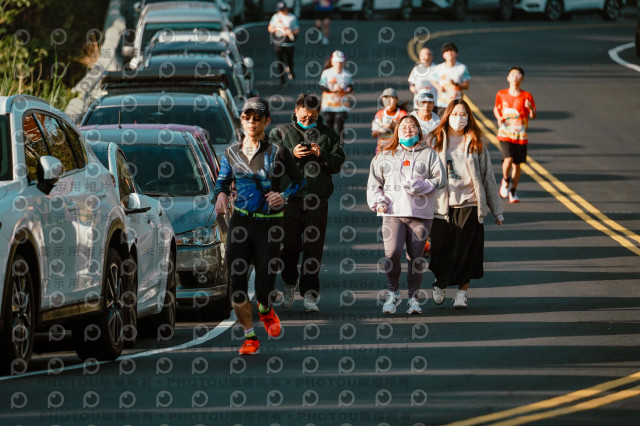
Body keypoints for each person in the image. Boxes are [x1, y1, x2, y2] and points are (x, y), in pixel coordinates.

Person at [213, 97, 304, 355]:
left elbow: (299, 182)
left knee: (264, 285)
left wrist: (282, 196)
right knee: (237, 284)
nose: (251, 122)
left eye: (257, 118)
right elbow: (222, 182)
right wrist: (221, 195)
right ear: (241, 120)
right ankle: (249, 337)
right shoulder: (231, 153)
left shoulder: (278, 152)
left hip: (270, 224)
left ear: (266, 121)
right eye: (247, 117)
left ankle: (265, 308)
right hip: (241, 222)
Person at [269, 93, 346, 312]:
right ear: (295, 111)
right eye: (303, 116)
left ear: (318, 113)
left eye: (312, 117)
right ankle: (289, 282)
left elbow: (337, 163)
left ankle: (310, 294)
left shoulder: (329, 134)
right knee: (289, 247)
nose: (307, 120)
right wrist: (290, 153)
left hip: (316, 200)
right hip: (288, 200)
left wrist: (322, 154)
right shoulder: (280, 132)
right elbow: (269, 162)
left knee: (314, 248)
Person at [427, 99, 504, 309]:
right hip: (442, 207)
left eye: (463, 115)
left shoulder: (475, 142)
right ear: (447, 116)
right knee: (440, 252)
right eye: (455, 114)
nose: (459, 119)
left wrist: (497, 211)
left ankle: (462, 294)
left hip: (470, 204)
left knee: (467, 253)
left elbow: (488, 177)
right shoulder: (434, 140)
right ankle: (440, 283)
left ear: (469, 118)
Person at [367, 115, 446, 315]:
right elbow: (374, 183)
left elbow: (441, 179)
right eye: (404, 126)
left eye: (412, 126)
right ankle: (393, 292)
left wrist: (423, 185)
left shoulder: (429, 154)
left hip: (420, 214)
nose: (408, 130)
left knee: (415, 258)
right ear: (397, 131)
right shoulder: (385, 155)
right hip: (393, 213)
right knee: (392, 253)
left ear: (419, 130)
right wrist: (378, 201)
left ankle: (413, 298)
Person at [493, 66, 536, 204]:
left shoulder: (527, 96)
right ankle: (506, 180)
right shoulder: (501, 94)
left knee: (517, 165)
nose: (515, 77)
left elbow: (533, 115)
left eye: (518, 75)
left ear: (522, 79)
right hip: (505, 133)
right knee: (508, 159)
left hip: (520, 135)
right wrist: (499, 117)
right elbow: (496, 108)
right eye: (512, 75)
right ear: (508, 78)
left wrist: (530, 108)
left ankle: (513, 190)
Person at [319, 50, 354, 138]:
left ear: (344, 62)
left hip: (342, 104)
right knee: (329, 123)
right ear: (332, 62)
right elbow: (322, 86)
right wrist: (332, 89)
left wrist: (349, 89)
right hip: (329, 103)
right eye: (337, 62)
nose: (339, 64)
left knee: (340, 123)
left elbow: (351, 86)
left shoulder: (347, 74)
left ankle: (341, 142)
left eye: (341, 62)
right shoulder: (326, 73)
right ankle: (330, 141)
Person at [430, 42, 470, 117]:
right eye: (447, 51)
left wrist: (456, 84)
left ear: (456, 54)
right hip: (442, 103)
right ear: (443, 55)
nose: (450, 53)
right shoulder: (439, 68)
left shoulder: (462, 68)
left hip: (457, 104)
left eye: (452, 51)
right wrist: (438, 87)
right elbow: (432, 80)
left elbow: (466, 85)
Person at [268, 2, 300, 85]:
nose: (281, 12)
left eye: (282, 10)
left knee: (290, 60)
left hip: (289, 42)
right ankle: (282, 79)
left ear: (286, 9)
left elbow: (297, 29)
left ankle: (290, 70)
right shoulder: (275, 17)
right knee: (280, 60)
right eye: (280, 10)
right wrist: (276, 29)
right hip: (278, 42)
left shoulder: (292, 17)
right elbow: (270, 28)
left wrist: (291, 32)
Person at [371, 87, 408, 153]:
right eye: (385, 98)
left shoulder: (403, 114)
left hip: (398, 149)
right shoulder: (379, 114)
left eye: (391, 98)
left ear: (396, 100)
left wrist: (393, 127)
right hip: (382, 149)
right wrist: (381, 129)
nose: (388, 101)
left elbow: (407, 133)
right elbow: (374, 134)